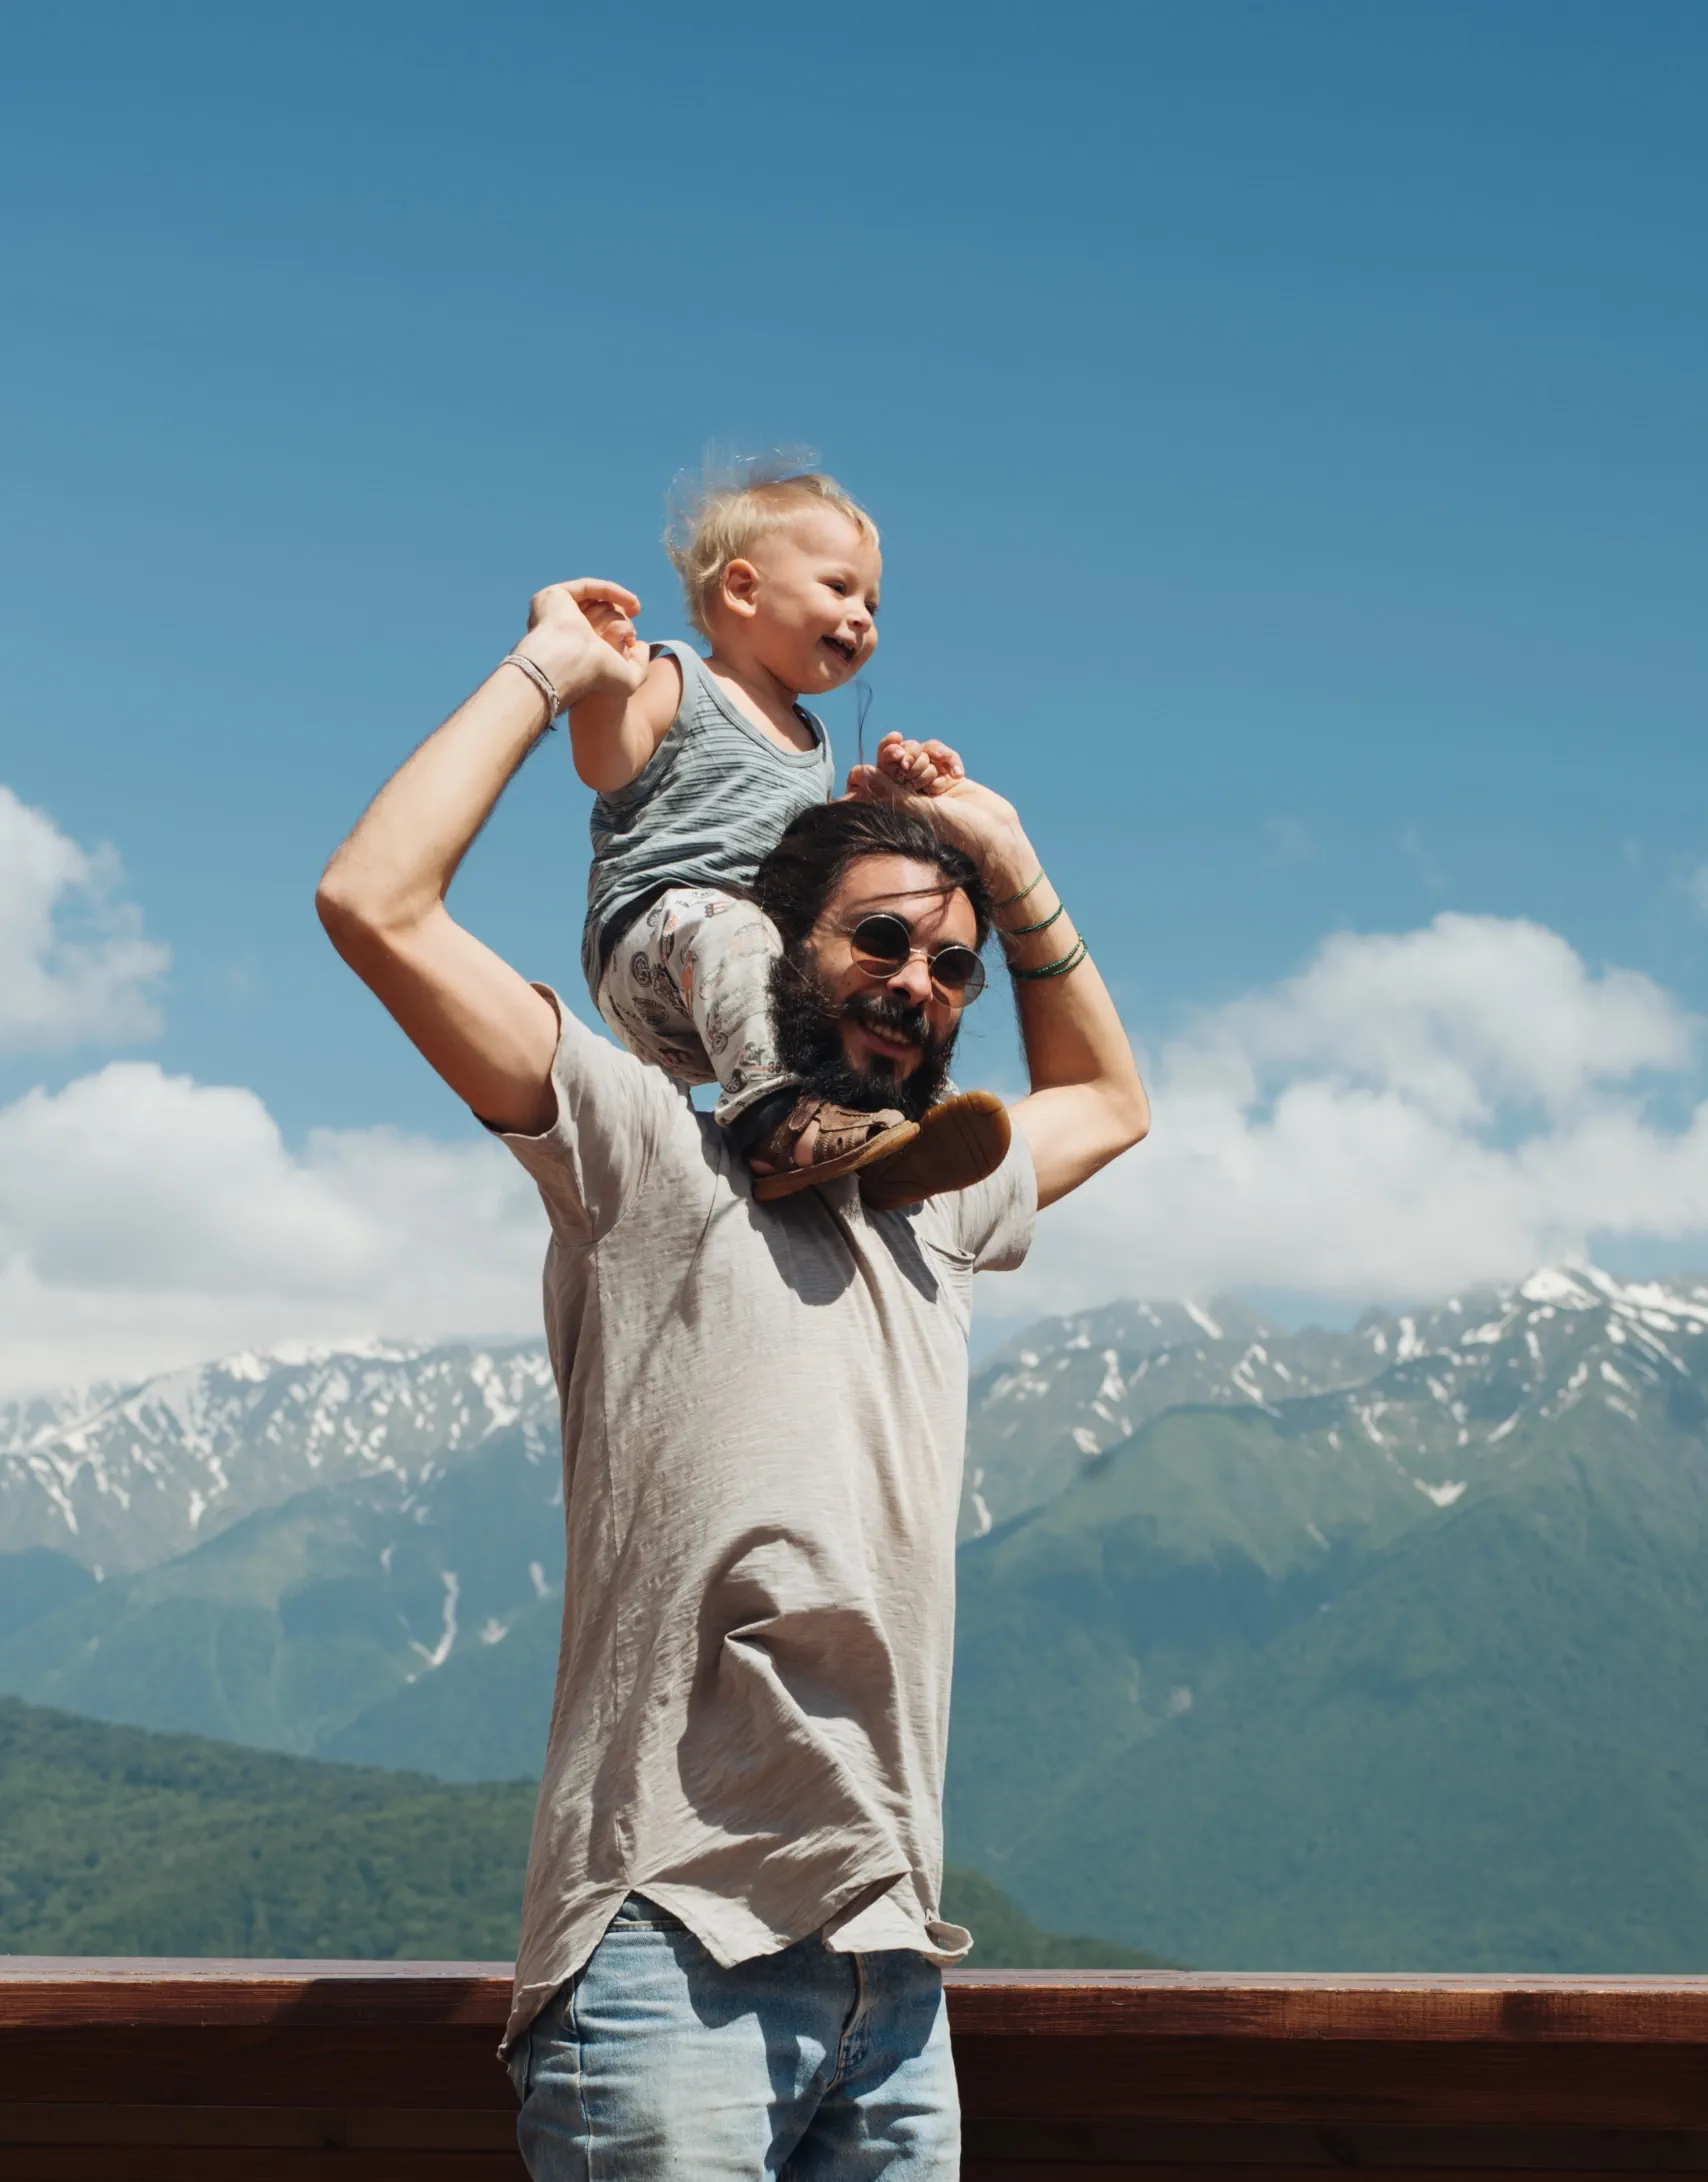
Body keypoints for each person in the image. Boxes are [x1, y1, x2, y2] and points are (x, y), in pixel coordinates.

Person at [315, 577, 1150, 2181]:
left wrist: (1008, 852)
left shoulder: (942, 1199)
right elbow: (375, 901)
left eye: (953, 968)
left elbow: (1108, 1097)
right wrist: (547, 668)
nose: (921, 980)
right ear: (782, 950)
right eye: (883, 939)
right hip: (663, 1950)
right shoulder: (641, 1156)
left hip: (896, 1976)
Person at [563, 463, 1007, 1204]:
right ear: (743, 589)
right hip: (652, 941)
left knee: (872, 988)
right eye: (839, 588)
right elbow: (604, 763)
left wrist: (890, 797)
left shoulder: (815, 736)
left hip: (745, 985)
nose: (862, 616)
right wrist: (599, 683)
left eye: (872, 602)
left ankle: (896, 1134)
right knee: (734, 928)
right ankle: (775, 1126)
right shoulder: (681, 679)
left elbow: (813, 862)